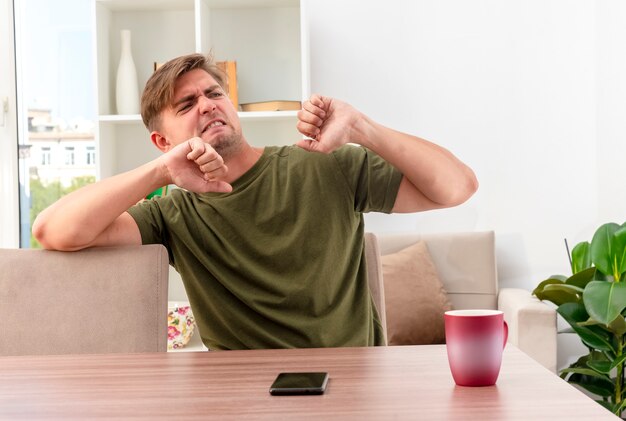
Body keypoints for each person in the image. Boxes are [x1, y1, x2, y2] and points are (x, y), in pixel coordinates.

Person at [33, 53, 478, 351]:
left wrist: (363, 127)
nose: (206, 105)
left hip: (353, 380)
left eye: (214, 93)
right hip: (240, 395)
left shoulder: (322, 163)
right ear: (161, 140)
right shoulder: (171, 213)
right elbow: (53, 231)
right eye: (186, 103)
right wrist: (161, 172)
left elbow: (458, 186)